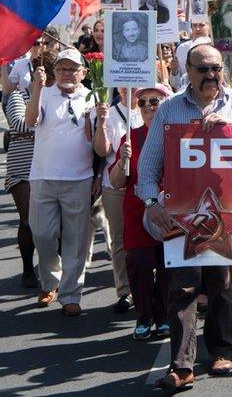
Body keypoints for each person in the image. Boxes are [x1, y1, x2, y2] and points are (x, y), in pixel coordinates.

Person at [138, 43, 232, 389]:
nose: (211, 75)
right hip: (182, 213)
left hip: (227, 210)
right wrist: (151, 202)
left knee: (222, 284)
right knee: (184, 287)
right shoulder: (168, 110)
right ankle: (182, 365)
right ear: (187, 72)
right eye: (203, 69)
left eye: (216, 68)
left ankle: (222, 349)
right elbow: (148, 165)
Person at [25, 48, 100, 316]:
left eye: (72, 69)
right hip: (44, 176)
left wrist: (99, 175)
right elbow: (30, 120)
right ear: (54, 72)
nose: (67, 74)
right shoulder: (44, 93)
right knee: (42, 234)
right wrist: (36, 87)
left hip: (79, 178)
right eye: (61, 69)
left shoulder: (93, 97)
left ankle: (70, 294)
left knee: (76, 240)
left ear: (83, 73)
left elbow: (101, 143)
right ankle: (50, 280)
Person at [109, 84, 172, 341]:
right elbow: (115, 183)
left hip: (169, 213)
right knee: (140, 265)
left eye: (154, 102)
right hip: (137, 213)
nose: (148, 107)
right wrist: (123, 161)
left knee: (168, 267)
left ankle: (164, 316)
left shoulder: (177, 136)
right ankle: (144, 317)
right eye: (143, 102)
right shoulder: (129, 138)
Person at [3, 49, 57, 288]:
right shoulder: (19, 96)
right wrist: (48, 126)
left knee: (55, 223)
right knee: (28, 221)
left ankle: (53, 268)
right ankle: (27, 267)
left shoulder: (59, 97)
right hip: (23, 165)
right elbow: (19, 123)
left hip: (51, 164)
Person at [93, 87, 142, 314]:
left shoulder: (150, 108)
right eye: (124, 85)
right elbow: (103, 151)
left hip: (145, 183)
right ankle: (125, 290)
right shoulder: (111, 113)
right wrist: (101, 123)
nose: (130, 90)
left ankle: (147, 286)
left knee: (147, 236)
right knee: (119, 238)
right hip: (115, 184)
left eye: (134, 85)